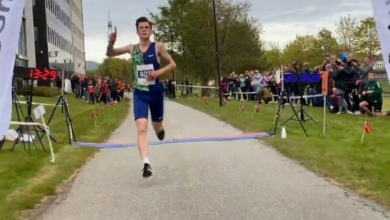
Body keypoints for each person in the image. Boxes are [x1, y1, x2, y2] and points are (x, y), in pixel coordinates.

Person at [106, 16, 176, 177]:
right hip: (140, 94)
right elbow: (110, 53)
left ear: (150, 30)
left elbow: (172, 64)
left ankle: (160, 130)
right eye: (141, 27)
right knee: (142, 128)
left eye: (147, 27)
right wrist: (111, 42)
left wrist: (158, 72)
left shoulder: (158, 47)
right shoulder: (132, 48)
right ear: (137, 31)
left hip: (156, 93)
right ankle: (146, 163)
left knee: (156, 125)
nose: (144, 29)